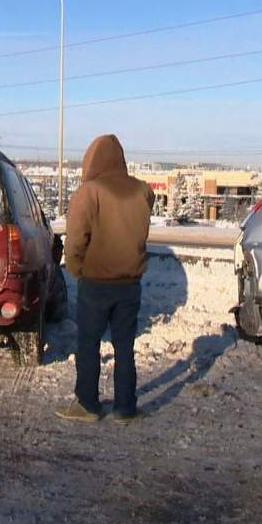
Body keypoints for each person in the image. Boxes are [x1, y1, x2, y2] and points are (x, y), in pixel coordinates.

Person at [56, 135, 155, 424]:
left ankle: (88, 404)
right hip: (129, 284)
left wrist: (77, 269)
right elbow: (147, 208)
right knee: (124, 348)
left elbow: (75, 239)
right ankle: (125, 408)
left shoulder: (89, 192)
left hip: (96, 284)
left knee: (88, 344)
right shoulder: (141, 190)